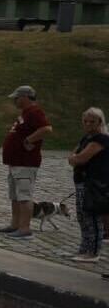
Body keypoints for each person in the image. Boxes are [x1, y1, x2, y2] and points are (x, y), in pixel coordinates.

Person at [0, 85, 52, 240]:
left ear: (26, 97)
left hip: (25, 163)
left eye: (17, 97)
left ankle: (25, 229)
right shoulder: (26, 113)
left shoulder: (35, 112)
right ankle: (15, 225)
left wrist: (29, 140)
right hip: (16, 162)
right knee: (15, 196)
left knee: (24, 196)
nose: (15, 100)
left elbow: (47, 129)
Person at [66, 107, 109, 263]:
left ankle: (93, 252)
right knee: (83, 217)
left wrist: (75, 158)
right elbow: (72, 155)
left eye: (92, 121)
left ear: (100, 122)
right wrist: (74, 158)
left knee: (92, 217)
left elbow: (80, 158)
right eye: (85, 121)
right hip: (81, 182)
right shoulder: (86, 138)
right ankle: (84, 248)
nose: (88, 124)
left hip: (94, 184)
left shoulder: (101, 139)